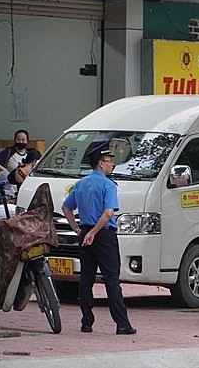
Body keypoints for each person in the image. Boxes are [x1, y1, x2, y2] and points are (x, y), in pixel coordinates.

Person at [61, 141, 136, 335]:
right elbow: (108, 213)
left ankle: (86, 322)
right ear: (101, 163)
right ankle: (122, 324)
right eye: (109, 160)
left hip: (85, 233)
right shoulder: (108, 185)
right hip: (103, 235)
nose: (112, 164)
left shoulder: (81, 184)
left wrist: (78, 229)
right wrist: (94, 232)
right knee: (111, 280)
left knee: (86, 279)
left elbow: (66, 208)